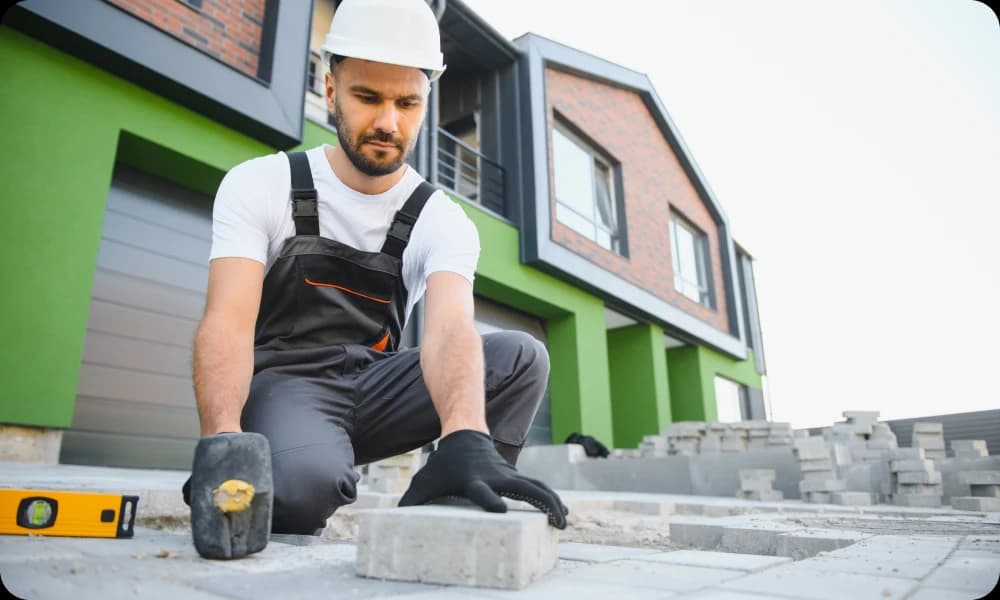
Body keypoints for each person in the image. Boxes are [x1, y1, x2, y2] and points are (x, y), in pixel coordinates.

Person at [187, 0, 567, 535]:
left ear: (425, 102)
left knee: (520, 357)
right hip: (288, 389)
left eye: (407, 103)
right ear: (330, 88)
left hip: (378, 388)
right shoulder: (261, 183)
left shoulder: (441, 218)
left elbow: (451, 330)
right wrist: (222, 441)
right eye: (367, 97)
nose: (388, 123)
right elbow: (226, 321)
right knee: (298, 494)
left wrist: (464, 434)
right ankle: (304, 461)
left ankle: (459, 497)